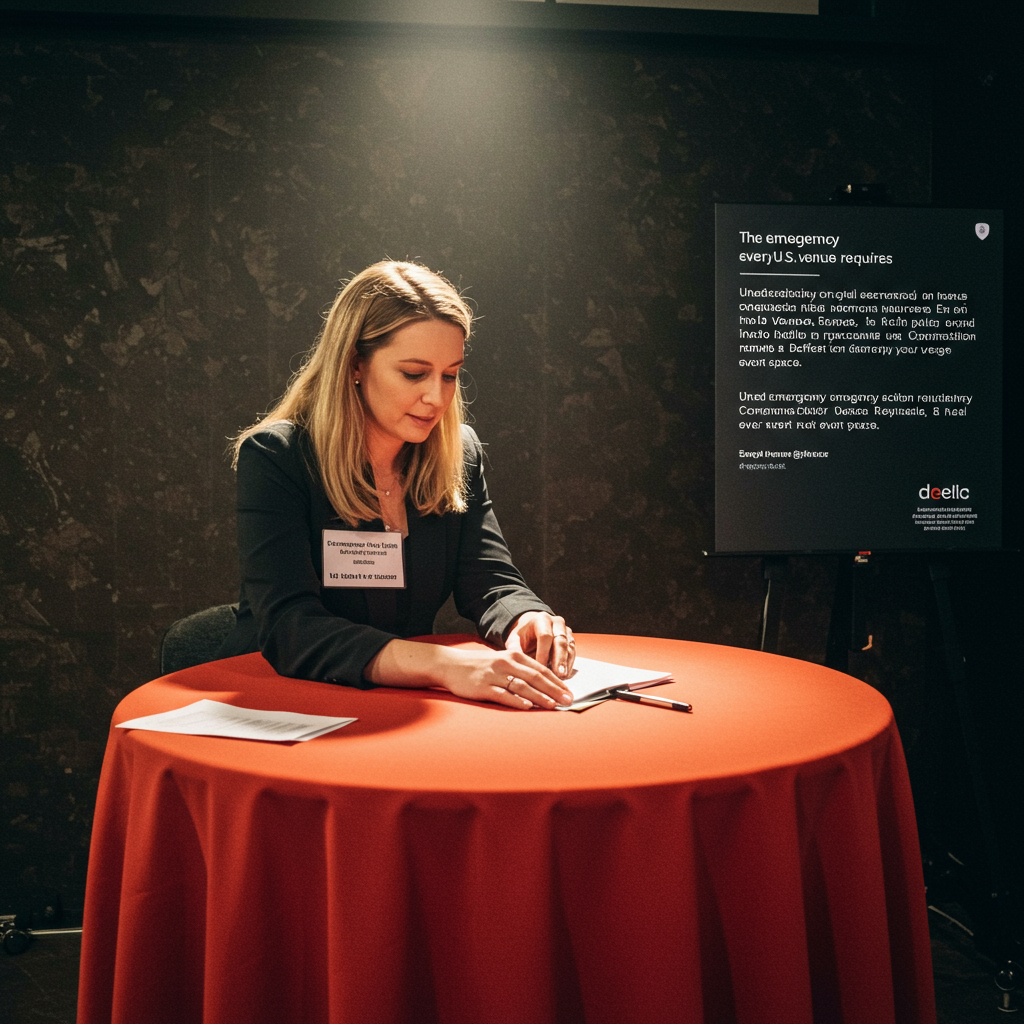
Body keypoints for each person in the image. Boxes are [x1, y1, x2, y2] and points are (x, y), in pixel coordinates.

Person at [216, 260, 576, 710]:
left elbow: (490, 581)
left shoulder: (456, 454)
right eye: (413, 373)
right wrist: (443, 666)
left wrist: (527, 616)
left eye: (450, 375)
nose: (436, 397)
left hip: (392, 699)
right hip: (281, 700)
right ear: (354, 364)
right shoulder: (278, 457)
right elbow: (291, 626)